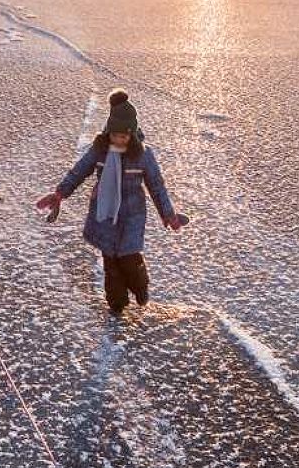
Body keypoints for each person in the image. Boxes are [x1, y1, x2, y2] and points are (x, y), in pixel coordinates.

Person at [36, 90, 187, 313]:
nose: (119, 140)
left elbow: (156, 186)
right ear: (108, 132)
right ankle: (116, 302)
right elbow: (78, 172)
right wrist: (60, 193)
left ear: (133, 134)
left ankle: (140, 286)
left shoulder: (144, 155)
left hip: (132, 215)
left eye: (124, 136)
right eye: (115, 135)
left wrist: (168, 215)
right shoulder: (99, 150)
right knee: (111, 262)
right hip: (104, 213)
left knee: (128, 258)